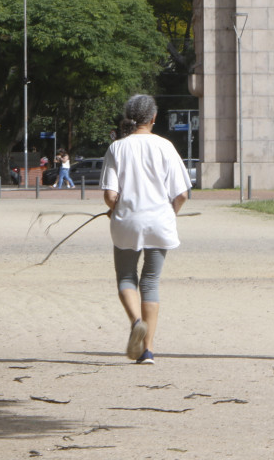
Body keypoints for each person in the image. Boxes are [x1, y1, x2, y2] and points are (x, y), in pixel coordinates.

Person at [101, 94, 190, 365]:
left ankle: (136, 321)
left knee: (126, 276)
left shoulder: (118, 148)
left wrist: (113, 209)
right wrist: (169, 212)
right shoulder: (166, 147)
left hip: (127, 220)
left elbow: (110, 194)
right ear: (154, 118)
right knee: (150, 282)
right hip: (159, 222)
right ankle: (148, 350)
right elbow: (182, 193)